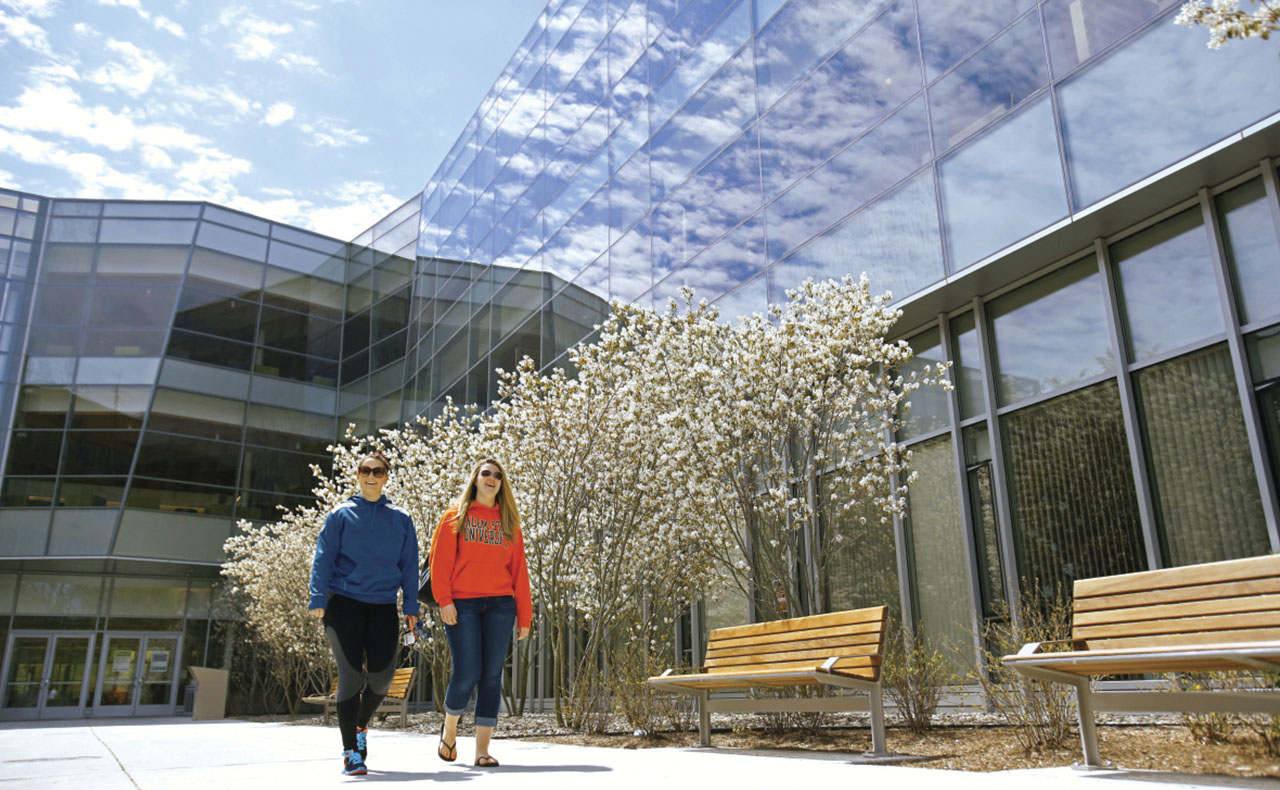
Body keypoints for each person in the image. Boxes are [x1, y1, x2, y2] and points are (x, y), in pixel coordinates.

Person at [308, 450, 419, 776]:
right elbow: (323, 557)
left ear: (386, 476)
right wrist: (317, 596)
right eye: (365, 470)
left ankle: (359, 725)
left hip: (383, 604)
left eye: (378, 471)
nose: (371, 476)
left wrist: (410, 606)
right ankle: (350, 753)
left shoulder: (400, 518)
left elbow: (409, 566)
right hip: (343, 603)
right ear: (357, 474)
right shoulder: (340, 514)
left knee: (383, 678)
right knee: (351, 676)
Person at [430, 457, 532, 768]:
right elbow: (440, 563)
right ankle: (450, 728)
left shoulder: (508, 523)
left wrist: (524, 616)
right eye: (485, 473)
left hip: (501, 604)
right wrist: (444, 600)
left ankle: (482, 751)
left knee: (491, 676)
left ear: (502, 484)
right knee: (467, 672)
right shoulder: (454, 518)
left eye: (497, 475)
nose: (491, 478)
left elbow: (519, 572)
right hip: (463, 604)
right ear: (475, 479)